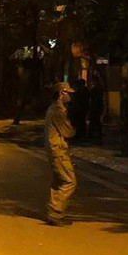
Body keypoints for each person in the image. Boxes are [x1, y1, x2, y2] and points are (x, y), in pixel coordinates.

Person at [45, 81, 77, 225]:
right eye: (67, 93)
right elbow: (68, 131)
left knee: (59, 181)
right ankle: (56, 211)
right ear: (61, 93)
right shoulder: (58, 111)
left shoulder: (53, 109)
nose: (69, 96)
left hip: (54, 149)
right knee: (69, 181)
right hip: (58, 150)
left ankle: (53, 211)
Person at [70, 77, 90, 144]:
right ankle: (79, 134)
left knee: (81, 122)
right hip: (80, 108)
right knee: (79, 122)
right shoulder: (82, 90)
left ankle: (81, 135)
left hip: (81, 108)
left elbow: (81, 100)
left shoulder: (83, 91)